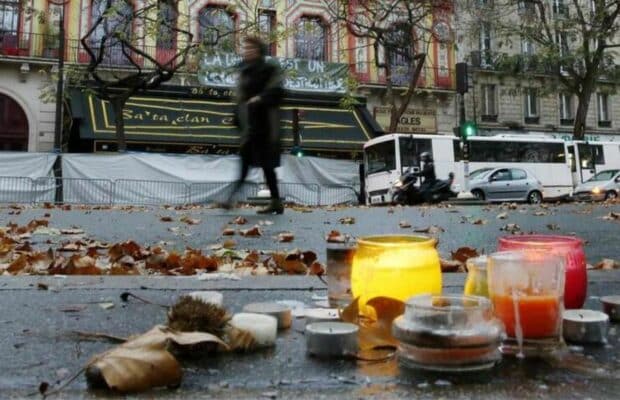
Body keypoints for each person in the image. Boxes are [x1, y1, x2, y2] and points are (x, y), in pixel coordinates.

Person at [225, 36, 286, 214]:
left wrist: (261, 98)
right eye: (246, 48)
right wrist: (235, 116)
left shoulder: (269, 68)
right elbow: (239, 97)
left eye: (251, 48)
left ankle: (275, 201)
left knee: (267, 166)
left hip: (266, 123)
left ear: (259, 50)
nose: (247, 51)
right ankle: (231, 199)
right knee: (244, 162)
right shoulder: (244, 70)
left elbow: (278, 90)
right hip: (250, 124)